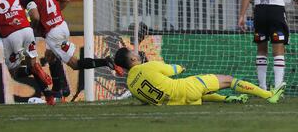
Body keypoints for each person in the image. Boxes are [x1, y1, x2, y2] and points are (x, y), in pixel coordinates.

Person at [16, 0, 116, 72]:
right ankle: (57, 87)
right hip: (62, 26)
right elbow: (66, 0)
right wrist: (52, 15)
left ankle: (105, 61)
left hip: (53, 34)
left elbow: (35, 17)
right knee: (50, 56)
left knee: (75, 64)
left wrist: (33, 28)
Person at [113, 47, 285, 106]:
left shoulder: (131, 86)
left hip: (177, 103)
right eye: (133, 52)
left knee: (203, 93)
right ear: (133, 59)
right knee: (227, 79)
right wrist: (182, 67)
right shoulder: (148, 66)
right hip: (187, 87)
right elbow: (175, 69)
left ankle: (229, 100)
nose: (136, 52)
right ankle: (269, 95)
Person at [9, 0, 71, 99]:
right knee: (26, 59)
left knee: (52, 55)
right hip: (23, 27)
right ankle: (50, 90)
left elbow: (51, 2)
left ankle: (60, 88)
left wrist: (49, 18)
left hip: (38, 25)